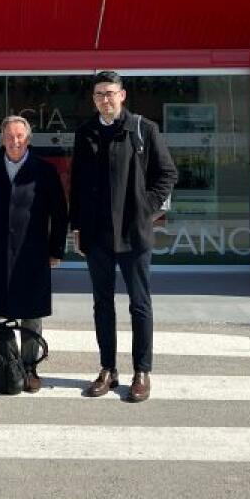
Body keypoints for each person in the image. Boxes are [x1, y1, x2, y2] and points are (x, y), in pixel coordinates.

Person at [70, 70, 178, 403]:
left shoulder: (143, 129)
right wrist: (77, 228)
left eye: (110, 93)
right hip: (97, 235)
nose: (105, 99)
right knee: (102, 305)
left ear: (122, 95)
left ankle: (142, 372)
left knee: (140, 305)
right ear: (94, 99)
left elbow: (167, 174)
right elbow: (76, 184)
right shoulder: (86, 132)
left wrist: (143, 208)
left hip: (134, 234)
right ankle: (107, 370)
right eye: (99, 94)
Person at [0, 115, 67, 394]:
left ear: (28, 138)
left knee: (32, 315)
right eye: (9, 136)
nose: (15, 141)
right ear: (2, 139)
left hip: (33, 253)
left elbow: (59, 213)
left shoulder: (44, 171)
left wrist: (56, 248)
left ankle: (29, 368)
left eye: (20, 136)